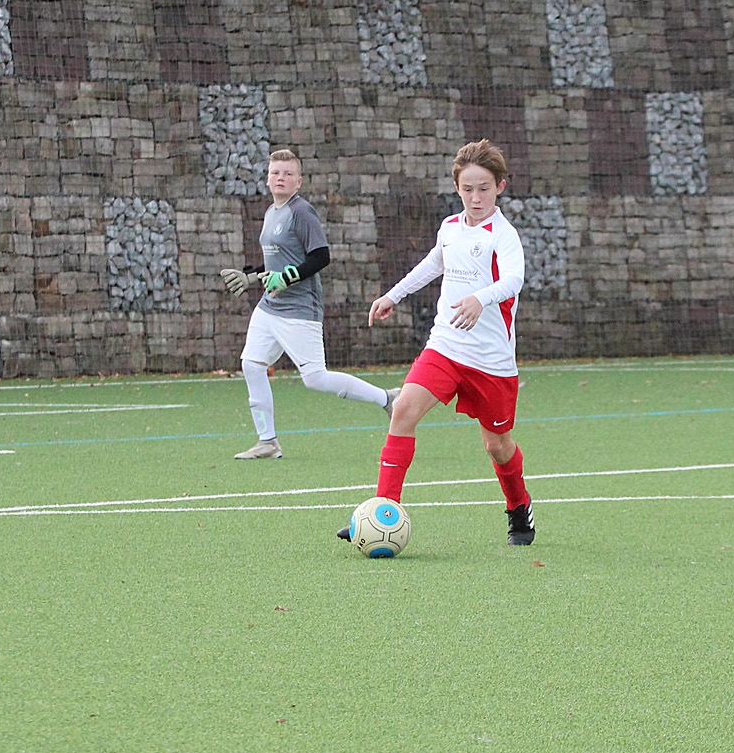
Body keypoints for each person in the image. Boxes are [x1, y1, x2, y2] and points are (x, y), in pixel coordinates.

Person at [339, 139, 536, 545]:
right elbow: (433, 263)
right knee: (403, 410)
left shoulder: (504, 235)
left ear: (500, 187)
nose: (476, 198)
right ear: (457, 188)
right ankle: (382, 511)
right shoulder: (449, 227)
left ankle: (519, 506)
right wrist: (393, 295)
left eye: (484, 188)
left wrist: (480, 299)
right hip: (445, 346)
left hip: (491, 361)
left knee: (497, 446)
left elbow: (514, 279)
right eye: (468, 189)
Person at [221, 149, 397, 459]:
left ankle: (387, 398)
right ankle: (267, 442)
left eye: (288, 174)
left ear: (299, 181)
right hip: (269, 307)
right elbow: (275, 263)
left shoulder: (302, 212)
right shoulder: (271, 212)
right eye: (275, 173)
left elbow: (320, 256)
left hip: (299, 309)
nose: (281, 178)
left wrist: (287, 278)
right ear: (267, 179)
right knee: (251, 364)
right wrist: (250, 277)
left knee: (316, 378)